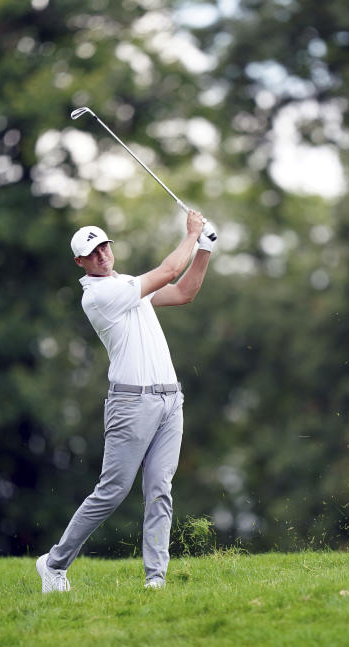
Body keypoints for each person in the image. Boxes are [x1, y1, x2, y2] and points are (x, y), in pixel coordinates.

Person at [36, 209, 214, 593]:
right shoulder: (99, 296)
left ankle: (155, 580)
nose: (101, 255)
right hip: (131, 405)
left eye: (104, 246)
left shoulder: (130, 284)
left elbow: (184, 292)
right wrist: (191, 233)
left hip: (170, 401)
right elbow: (168, 272)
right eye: (92, 252)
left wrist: (204, 248)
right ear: (80, 262)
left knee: (160, 490)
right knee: (112, 491)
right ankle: (53, 564)